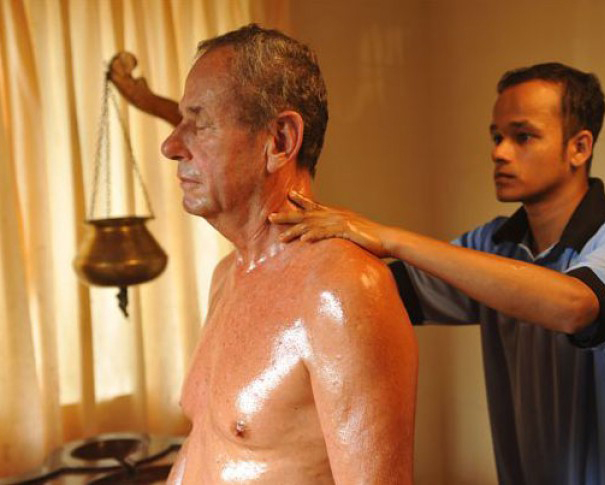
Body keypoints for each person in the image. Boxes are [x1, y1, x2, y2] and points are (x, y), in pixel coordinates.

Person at [269, 63, 605, 484]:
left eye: (522, 136)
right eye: (496, 137)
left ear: (579, 148)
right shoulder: (493, 244)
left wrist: (390, 237)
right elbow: (371, 293)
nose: (499, 152)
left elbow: (575, 307)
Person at [155, 25, 418, 484]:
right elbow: (206, 447)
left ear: (279, 140)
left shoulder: (343, 289)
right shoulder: (227, 276)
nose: (171, 146)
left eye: (200, 122)